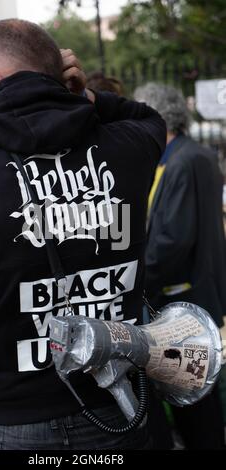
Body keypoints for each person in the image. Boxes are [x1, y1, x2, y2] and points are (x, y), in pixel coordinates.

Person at [0, 20, 166, 450]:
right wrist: (86, 96)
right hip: (116, 404)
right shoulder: (126, 148)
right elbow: (149, 119)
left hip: (13, 419)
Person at [134, 83, 226, 449]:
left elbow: (173, 238)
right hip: (196, 296)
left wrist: (139, 279)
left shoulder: (182, 161)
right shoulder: (195, 155)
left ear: (157, 117)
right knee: (196, 398)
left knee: (193, 402)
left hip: (183, 302)